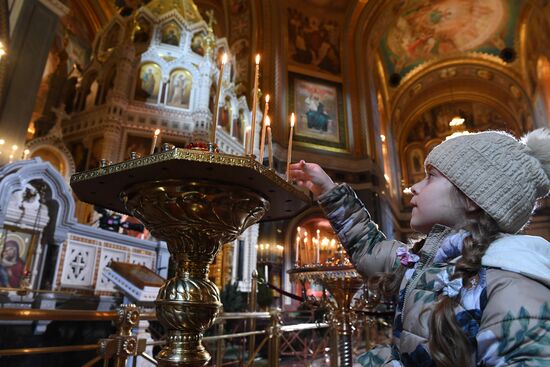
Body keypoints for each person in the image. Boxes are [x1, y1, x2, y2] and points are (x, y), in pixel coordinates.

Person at [289, 129, 550, 366]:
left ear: (472, 198)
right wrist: (327, 190)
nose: (413, 187)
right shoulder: (430, 259)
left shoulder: (512, 282)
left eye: (430, 178)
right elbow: (369, 248)